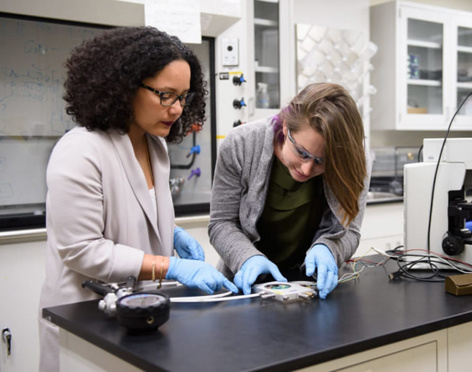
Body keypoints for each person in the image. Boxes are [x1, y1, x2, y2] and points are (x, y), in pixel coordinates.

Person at [39, 26, 237, 372]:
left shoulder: (154, 145)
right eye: (165, 95)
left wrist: (169, 231)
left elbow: (135, 206)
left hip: (141, 314)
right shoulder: (80, 151)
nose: (176, 109)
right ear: (126, 86)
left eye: (184, 97)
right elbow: (81, 250)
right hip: (86, 321)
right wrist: (169, 265)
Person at [208, 83, 371, 300]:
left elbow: (350, 230)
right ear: (286, 128)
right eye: (302, 153)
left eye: (323, 162)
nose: (307, 169)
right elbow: (221, 223)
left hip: (314, 290)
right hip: (247, 290)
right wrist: (247, 258)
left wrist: (329, 249)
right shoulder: (241, 144)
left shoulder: (353, 162)